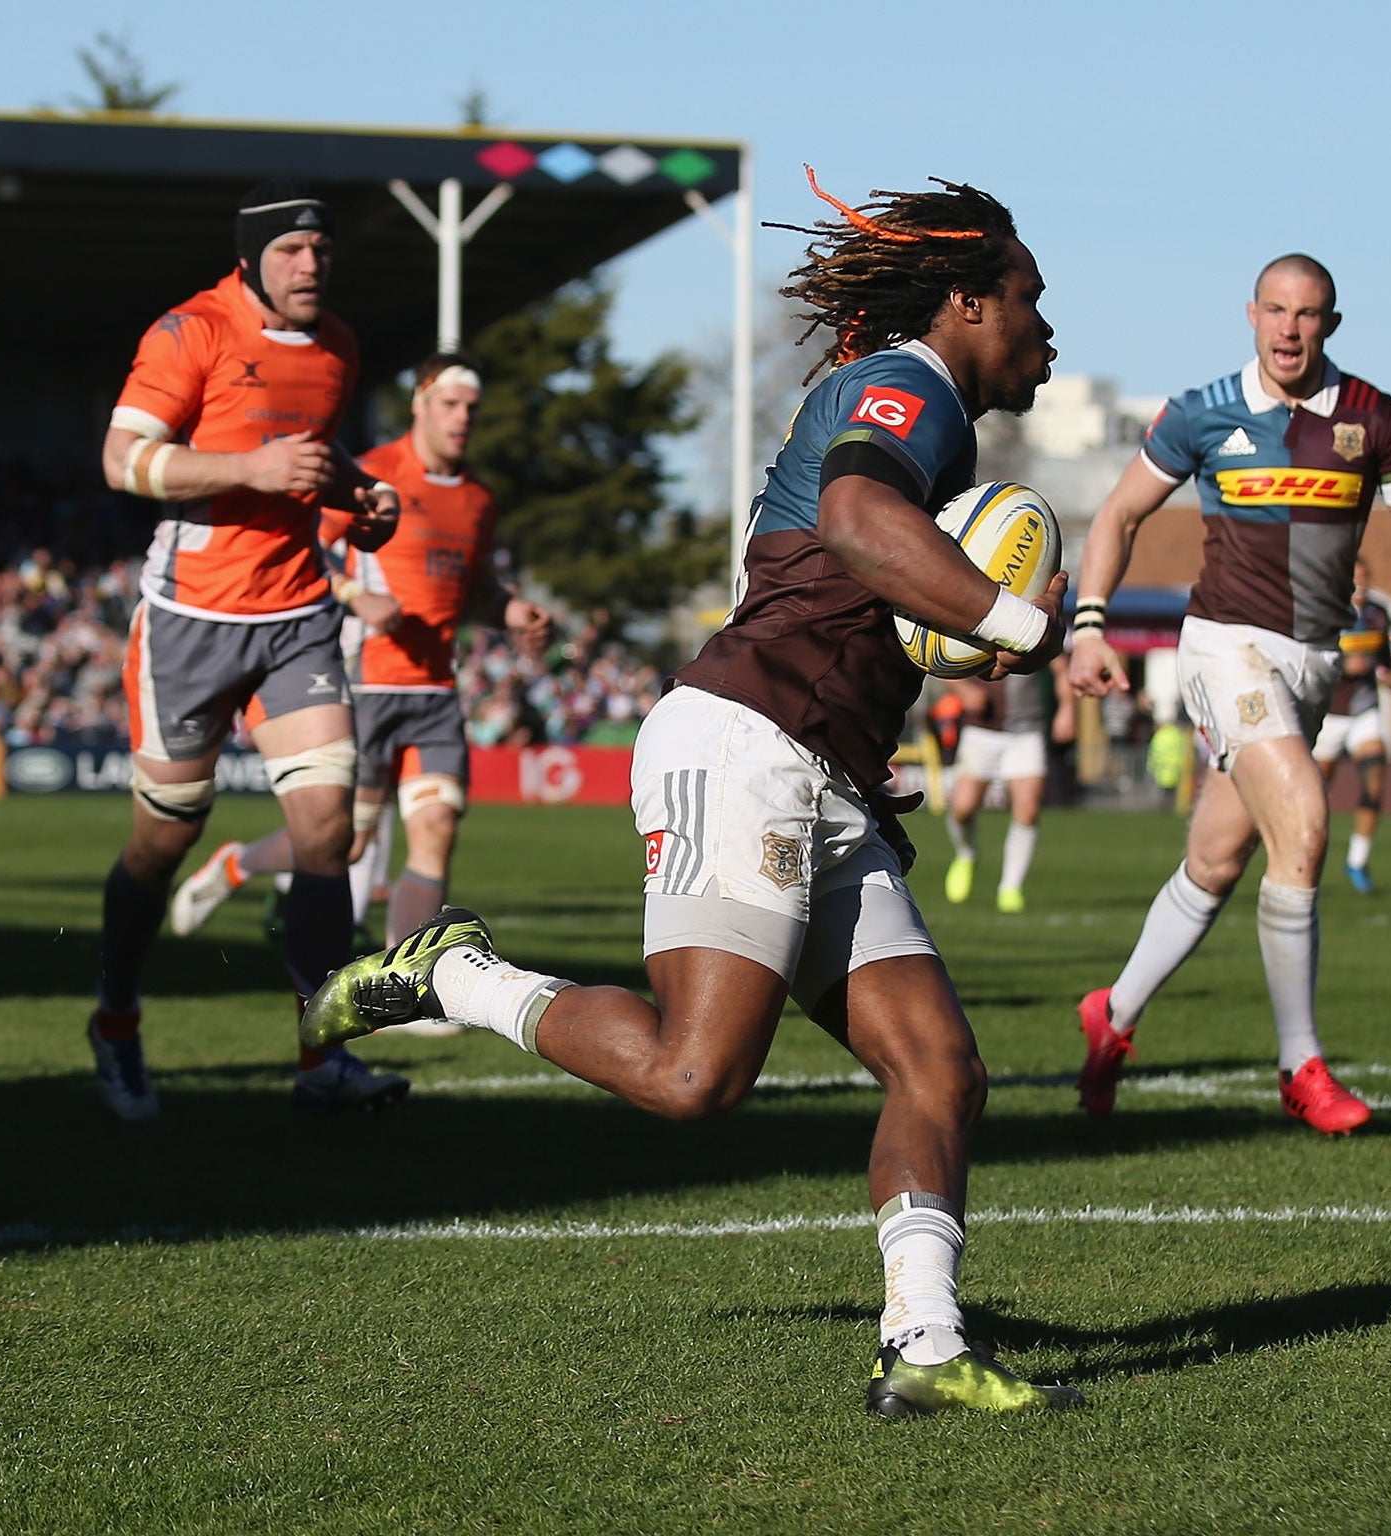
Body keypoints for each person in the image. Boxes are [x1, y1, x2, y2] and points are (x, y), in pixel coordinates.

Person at [301, 172, 1082, 1417]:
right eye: (1032, 298)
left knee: (939, 1067)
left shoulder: (926, 407)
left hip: (814, 766)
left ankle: (925, 1345)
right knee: (691, 1078)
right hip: (744, 746)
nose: (1049, 327)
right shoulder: (910, 384)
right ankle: (455, 976)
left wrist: (890, 718)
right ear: (968, 301)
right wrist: (1021, 626)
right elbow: (856, 518)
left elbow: (850, 583)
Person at [1067, 254, 1391, 1131]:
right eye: (1276, 311)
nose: (1290, 328)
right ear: (1251, 315)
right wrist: (1089, 624)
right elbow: (1120, 513)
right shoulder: (1201, 412)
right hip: (1226, 647)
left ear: (1331, 324)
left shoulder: (1375, 418)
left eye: (1308, 314)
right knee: (1306, 823)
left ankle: (1112, 1015)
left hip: (1314, 663)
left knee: (1216, 860)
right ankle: (1300, 1065)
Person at [87, 182, 408, 1121]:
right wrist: (250, 469)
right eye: (291, 250)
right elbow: (123, 458)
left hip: (298, 614)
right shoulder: (190, 332)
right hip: (189, 619)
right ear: (250, 258)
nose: (311, 264)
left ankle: (322, 1057)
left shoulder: (339, 345)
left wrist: (360, 496)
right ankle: (115, 1021)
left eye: (322, 249)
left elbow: (312, 455)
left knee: (327, 830)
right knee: (162, 839)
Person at [168, 354, 552, 960]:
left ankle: (402, 983)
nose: (462, 418)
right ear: (420, 404)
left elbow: (476, 590)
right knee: (345, 842)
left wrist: (513, 612)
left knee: (437, 830)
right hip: (365, 684)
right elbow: (303, 551)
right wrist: (356, 595)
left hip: (435, 694)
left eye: (472, 408)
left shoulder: (478, 499)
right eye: (450, 404)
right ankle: (236, 864)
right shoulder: (373, 475)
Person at [941, 662, 1072, 913]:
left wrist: (1067, 709)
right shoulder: (974, 632)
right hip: (981, 727)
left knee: (1028, 808)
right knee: (963, 807)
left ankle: (1011, 887)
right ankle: (967, 853)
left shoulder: (1040, 633)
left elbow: (1061, 667)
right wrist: (962, 689)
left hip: (1027, 730)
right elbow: (938, 660)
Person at [1312, 556, 1391, 894]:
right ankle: (1306, 859)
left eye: (1366, 577)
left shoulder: (1378, 614)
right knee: (1315, 794)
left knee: (1375, 771)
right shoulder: (1327, 611)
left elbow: (1384, 659)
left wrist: (1386, 672)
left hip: (1364, 708)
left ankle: (1358, 861)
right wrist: (1344, 666)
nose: (1361, 584)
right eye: (1355, 578)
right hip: (1329, 712)